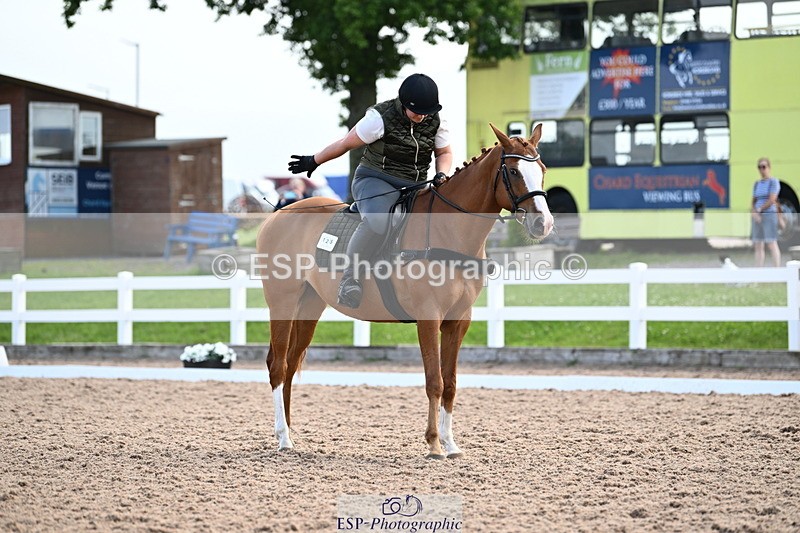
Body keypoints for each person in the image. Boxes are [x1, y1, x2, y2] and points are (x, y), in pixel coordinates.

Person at [288, 73, 453, 308]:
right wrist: (313, 160)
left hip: (414, 185)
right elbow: (345, 143)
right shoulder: (379, 118)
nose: (423, 116)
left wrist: (441, 173)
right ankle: (350, 278)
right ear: (404, 103)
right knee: (378, 221)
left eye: (427, 112)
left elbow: (444, 153)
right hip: (375, 180)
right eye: (418, 111)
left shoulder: (436, 121)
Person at [751, 157, 782, 267]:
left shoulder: (774, 182)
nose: (761, 169)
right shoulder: (757, 184)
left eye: (764, 167)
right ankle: (758, 273)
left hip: (769, 214)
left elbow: (772, 199)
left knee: (771, 242)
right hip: (757, 216)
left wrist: (760, 210)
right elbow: (753, 201)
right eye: (759, 167)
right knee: (758, 245)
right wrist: (754, 213)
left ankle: (777, 271)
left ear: (769, 167)